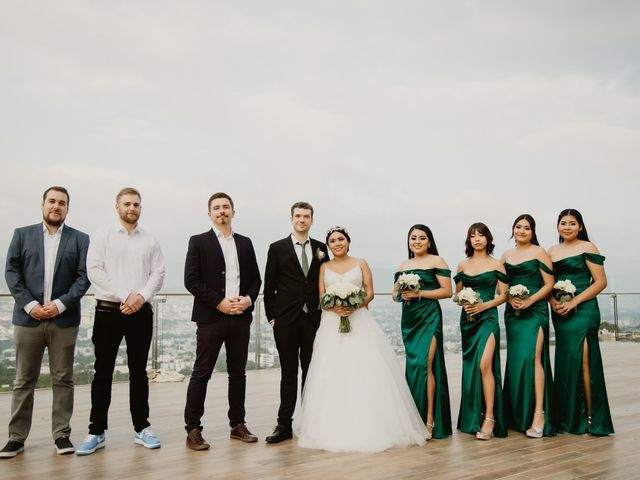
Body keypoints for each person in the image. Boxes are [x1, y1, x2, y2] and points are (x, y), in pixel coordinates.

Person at [296, 227, 426, 453]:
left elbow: (369, 292)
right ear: (328, 246)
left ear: (348, 241)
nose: (337, 243)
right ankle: (330, 426)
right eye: (332, 241)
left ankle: (372, 423)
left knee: (363, 370)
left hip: (360, 321)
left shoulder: (361, 263)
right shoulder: (324, 267)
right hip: (331, 324)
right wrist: (335, 307)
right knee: (331, 372)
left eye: (341, 239)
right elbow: (320, 297)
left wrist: (353, 304)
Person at [1, 187, 90, 458]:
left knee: (63, 379)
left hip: (64, 320)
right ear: (42, 205)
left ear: (67, 209)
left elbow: (84, 277)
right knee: (23, 380)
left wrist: (60, 304)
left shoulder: (80, 239)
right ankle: (16, 437)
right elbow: (11, 271)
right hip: (28, 319)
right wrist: (30, 305)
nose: (56, 206)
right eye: (52, 201)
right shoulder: (21, 234)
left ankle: (61, 434)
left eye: (62, 203)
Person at [76, 187, 165, 455]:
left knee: (139, 372)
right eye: (127, 204)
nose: (132, 208)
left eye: (136, 204)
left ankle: (141, 428)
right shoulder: (102, 236)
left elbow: (158, 273)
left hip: (141, 311)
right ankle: (96, 431)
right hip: (108, 310)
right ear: (117, 207)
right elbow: (95, 271)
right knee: (103, 371)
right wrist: (127, 295)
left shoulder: (150, 239)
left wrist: (141, 297)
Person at [183, 192, 262, 450]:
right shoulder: (198, 241)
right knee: (201, 373)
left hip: (240, 318)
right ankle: (193, 429)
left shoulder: (246, 242)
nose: (221, 211)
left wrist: (248, 300)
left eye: (226, 207)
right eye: (216, 208)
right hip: (210, 318)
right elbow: (191, 280)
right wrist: (219, 302)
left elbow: (256, 280)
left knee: (238, 374)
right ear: (209, 214)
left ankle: (237, 424)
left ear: (233, 212)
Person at [263, 202, 329, 444]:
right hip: (286, 321)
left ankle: (312, 423)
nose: (302, 220)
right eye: (298, 216)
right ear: (291, 218)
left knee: (312, 373)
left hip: (313, 319)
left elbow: (326, 280)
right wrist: (272, 317)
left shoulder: (321, 248)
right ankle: (284, 425)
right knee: (289, 373)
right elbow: (269, 286)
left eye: (306, 216)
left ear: (312, 220)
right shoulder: (277, 248)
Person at [548, 209, 614, 435]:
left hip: (584, 309)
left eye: (572, 223)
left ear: (580, 227)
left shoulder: (588, 247)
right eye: (563, 223)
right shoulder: (552, 251)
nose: (567, 227)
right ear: (558, 226)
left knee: (585, 362)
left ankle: (591, 418)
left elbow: (600, 282)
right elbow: (548, 282)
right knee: (566, 364)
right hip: (561, 311)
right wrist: (552, 302)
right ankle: (568, 419)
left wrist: (575, 300)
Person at [393, 224, 452, 440]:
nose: (417, 241)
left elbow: (447, 291)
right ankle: (413, 419)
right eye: (413, 238)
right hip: (409, 320)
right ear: (408, 241)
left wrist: (420, 293)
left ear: (429, 241)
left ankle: (429, 420)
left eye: (422, 238)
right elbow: (394, 294)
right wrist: (403, 296)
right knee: (414, 367)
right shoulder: (403, 264)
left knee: (425, 365)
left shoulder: (437, 261)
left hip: (429, 317)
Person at [500, 214, 556, 438]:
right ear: (512, 230)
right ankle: (516, 414)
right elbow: (501, 289)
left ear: (533, 232)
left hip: (535, 311)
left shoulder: (539, 252)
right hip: (513, 313)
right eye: (518, 227)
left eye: (526, 228)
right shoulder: (505, 255)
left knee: (533, 359)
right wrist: (509, 297)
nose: (521, 231)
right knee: (516, 362)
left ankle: (539, 413)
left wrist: (531, 300)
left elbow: (549, 283)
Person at [454, 222, 508, 440]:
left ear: (488, 239)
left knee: (486, 364)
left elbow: (504, 295)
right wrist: (465, 302)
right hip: (468, 320)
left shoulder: (497, 265)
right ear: (469, 240)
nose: (477, 239)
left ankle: (490, 418)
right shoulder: (462, 266)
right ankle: (473, 415)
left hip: (488, 318)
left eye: (481, 235)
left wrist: (484, 305)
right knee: (473, 367)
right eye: (473, 235)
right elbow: (457, 294)